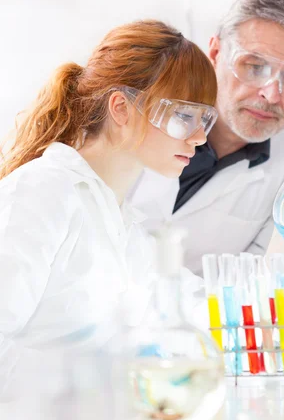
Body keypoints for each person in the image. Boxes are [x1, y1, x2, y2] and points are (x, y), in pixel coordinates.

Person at [0, 19, 217, 385]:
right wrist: (106, 377)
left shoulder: (122, 224)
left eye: (204, 119)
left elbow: (194, 306)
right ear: (121, 108)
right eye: (183, 116)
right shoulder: (40, 193)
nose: (198, 138)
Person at [129, 0, 284, 274]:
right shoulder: (146, 111)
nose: (272, 95)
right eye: (254, 66)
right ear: (215, 53)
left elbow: (272, 276)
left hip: (204, 315)